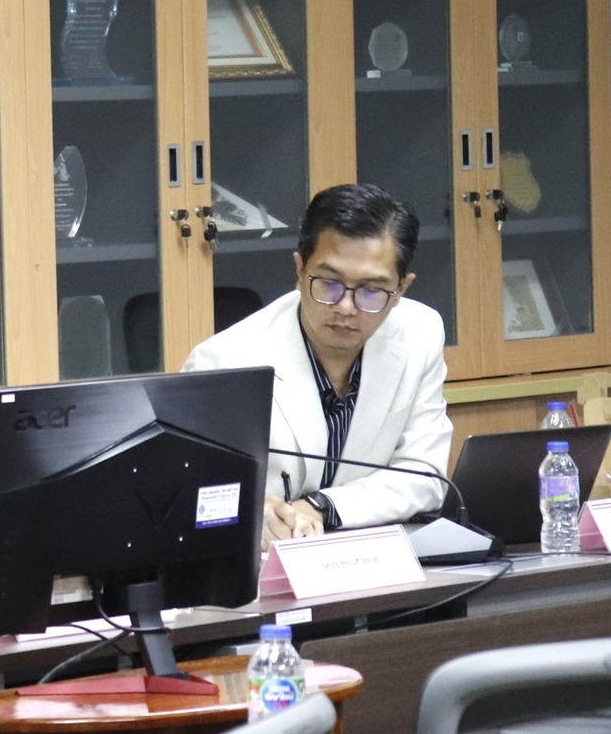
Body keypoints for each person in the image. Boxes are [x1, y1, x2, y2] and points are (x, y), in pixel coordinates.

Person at [184, 183, 449, 539]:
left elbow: (425, 475)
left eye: (372, 290)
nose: (346, 307)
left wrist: (322, 506)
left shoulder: (420, 333)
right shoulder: (224, 362)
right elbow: (191, 494)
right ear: (299, 270)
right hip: (266, 560)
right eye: (328, 283)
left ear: (401, 288)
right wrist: (250, 511)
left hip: (368, 550)